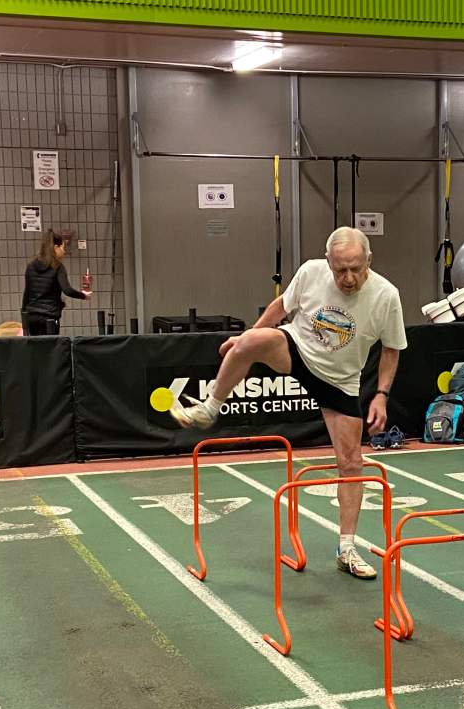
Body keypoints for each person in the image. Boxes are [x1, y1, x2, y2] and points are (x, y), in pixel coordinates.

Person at [171, 227, 406, 580]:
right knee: (251, 342)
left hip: (340, 380)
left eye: (356, 269)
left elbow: (391, 350)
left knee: (351, 463)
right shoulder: (311, 271)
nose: (348, 278)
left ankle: (346, 548)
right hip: (297, 350)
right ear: (328, 262)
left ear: (369, 260)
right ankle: (210, 408)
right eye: (340, 269)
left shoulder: (387, 296)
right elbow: (282, 306)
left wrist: (382, 395)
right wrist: (247, 336)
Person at [21, 229, 91, 335]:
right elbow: (67, 290)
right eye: (62, 247)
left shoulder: (30, 266)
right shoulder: (57, 267)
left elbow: (26, 294)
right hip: (50, 316)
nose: (64, 251)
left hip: (32, 317)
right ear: (55, 247)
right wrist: (83, 295)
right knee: (51, 344)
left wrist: (24, 316)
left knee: (36, 345)